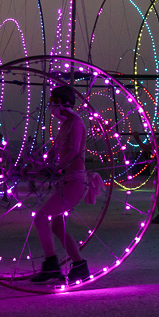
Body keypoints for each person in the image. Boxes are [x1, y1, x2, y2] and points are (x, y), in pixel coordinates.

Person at [30, 85, 89, 284]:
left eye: (53, 102)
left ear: (63, 102)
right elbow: (57, 152)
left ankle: (51, 265)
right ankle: (80, 266)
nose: (51, 106)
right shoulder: (64, 125)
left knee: (40, 218)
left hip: (75, 181)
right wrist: (39, 163)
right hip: (65, 181)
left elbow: (73, 152)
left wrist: (54, 169)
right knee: (57, 226)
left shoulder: (77, 123)